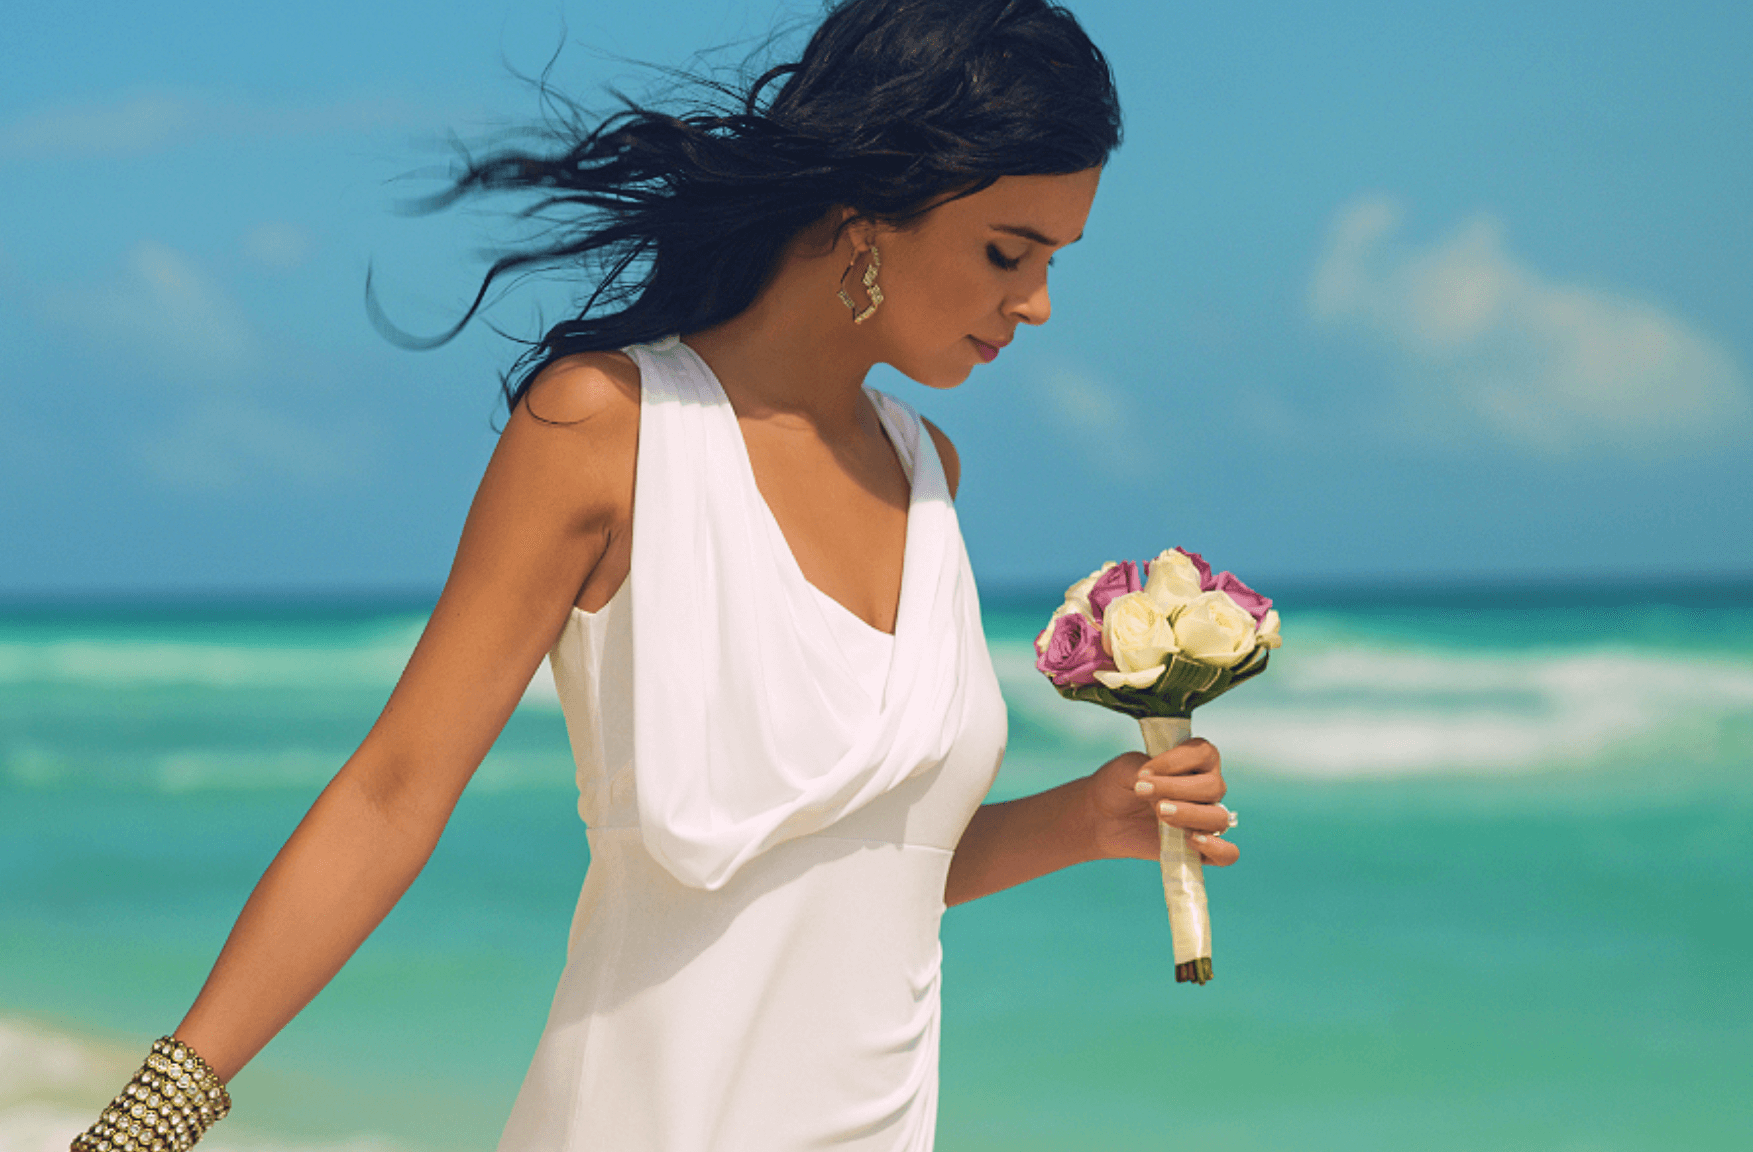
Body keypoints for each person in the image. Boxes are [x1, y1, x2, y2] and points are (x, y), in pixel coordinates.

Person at [69, 1, 1242, 1149]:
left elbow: (859, 878)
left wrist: (1086, 820)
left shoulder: (926, 472)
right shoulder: (608, 429)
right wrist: (149, 1121)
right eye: (1007, 251)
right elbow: (394, 792)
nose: (1035, 305)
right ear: (871, 208)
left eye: (1053, 260)